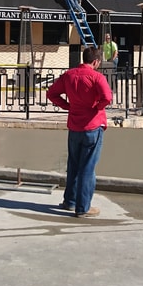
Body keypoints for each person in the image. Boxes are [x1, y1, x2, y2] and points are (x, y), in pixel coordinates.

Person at [46, 46, 112, 218]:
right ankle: (83, 207)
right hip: (92, 126)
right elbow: (107, 97)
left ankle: (70, 201)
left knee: (73, 164)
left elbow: (51, 93)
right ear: (96, 61)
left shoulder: (69, 75)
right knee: (88, 168)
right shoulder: (97, 77)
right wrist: (96, 108)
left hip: (74, 126)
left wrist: (68, 106)